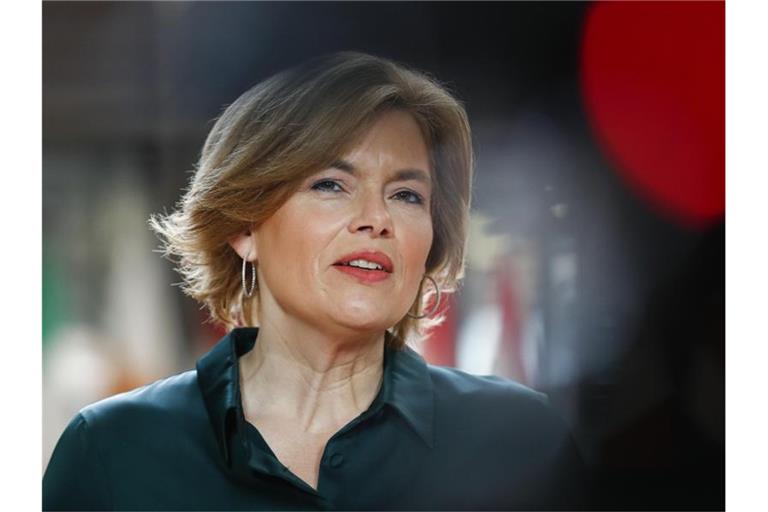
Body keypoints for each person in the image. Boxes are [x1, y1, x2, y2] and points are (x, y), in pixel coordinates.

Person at [43, 52, 585, 511]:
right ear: (243, 227)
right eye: (331, 185)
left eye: (406, 195)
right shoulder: (113, 450)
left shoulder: (521, 438)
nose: (377, 219)